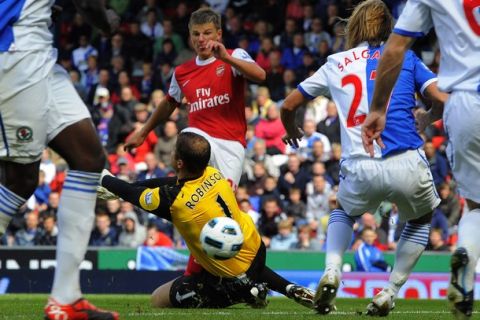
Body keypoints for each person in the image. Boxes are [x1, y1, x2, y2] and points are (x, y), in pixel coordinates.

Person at [280, 0, 447, 316]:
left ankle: (331, 270)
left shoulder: (335, 63)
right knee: (421, 218)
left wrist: (292, 131)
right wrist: (428, 117)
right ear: (390, 28)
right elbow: (440, 97)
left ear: (353, 27)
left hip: (359, 164)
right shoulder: (405, 58)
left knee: (343, 210)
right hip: (407, 161)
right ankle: (390, 291)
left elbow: (288, 105)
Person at [97, 132, 314, 309]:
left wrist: (105, 179)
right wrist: (121, 188)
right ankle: (289, 288)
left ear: (179, 162)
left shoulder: (177, 202)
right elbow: (167, 182)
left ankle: (245, 292)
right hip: (255, 247)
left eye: (174, 151)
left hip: (230, 276)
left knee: (158, 298)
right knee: (241, 264)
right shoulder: (213, 173)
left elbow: (134, 195)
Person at [0, 1, 119, 319]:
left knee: (89, 159)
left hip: (38, 50)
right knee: (19, 179)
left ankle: (65, 299)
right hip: (14, 53)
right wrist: (106, 20)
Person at [361, 0, 480, 317]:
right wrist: (429, 115)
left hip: (466, 100)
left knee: (475, 203)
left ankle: (466, 256)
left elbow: (395, 48)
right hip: (448, 107)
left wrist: (377, 109)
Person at [124, 7, 266, 191]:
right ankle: (179, 190)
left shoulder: (234, 55)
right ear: (190, 37)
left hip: (231, 144)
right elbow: (169, 102)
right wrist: (143, 133)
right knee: (187, 138)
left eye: (207, 33)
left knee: (221, 203)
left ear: (219, 34)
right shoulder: (182, 72)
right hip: (200, 137)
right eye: (196, 34)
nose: (201, 39)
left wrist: (226, 59)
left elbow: (260, 76)